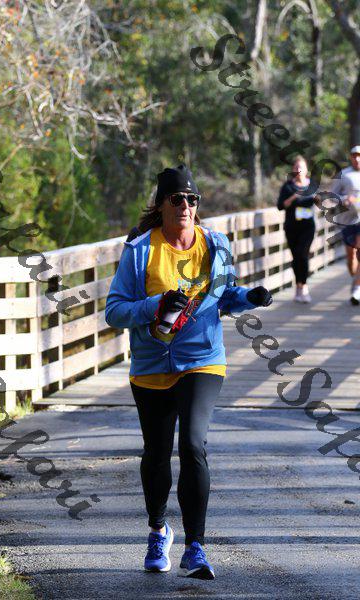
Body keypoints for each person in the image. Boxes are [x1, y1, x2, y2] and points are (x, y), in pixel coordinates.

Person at [105, 164, 273, 580]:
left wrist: (249, 297)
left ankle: (196, 547)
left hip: (202, 358)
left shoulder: (215, 244)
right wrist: (156, 304)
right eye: (177, 198)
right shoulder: (140, 250)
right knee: (156, 454)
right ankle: (158, 530)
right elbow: (115, 311)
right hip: (152, 363)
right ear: (162, 204)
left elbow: (223, 296)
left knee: (193, 445)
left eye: (192, 199)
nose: (185, 205)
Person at [277, 155, 318, 303]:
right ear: (293, 170)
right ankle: (298, 286)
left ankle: (304, 287)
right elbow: (280, 206)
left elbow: (319, 202)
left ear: (306, 170)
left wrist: (319, 200)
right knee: (296, 257)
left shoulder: (312, 185)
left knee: (303, 254)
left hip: (308, 227)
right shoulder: (288, 186)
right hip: (292, 227)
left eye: (301, 167)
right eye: (296, 167)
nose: (299, 170)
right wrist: (294, 196)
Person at [330, 146, 360, 305]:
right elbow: (332, 196)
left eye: (359, 156)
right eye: (354, 156)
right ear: (351, 157)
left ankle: (357, 288)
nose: (357, 159)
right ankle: (356, 280)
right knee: (351, 257)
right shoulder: (344, 174)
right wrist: (344, 199)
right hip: (348, 221)